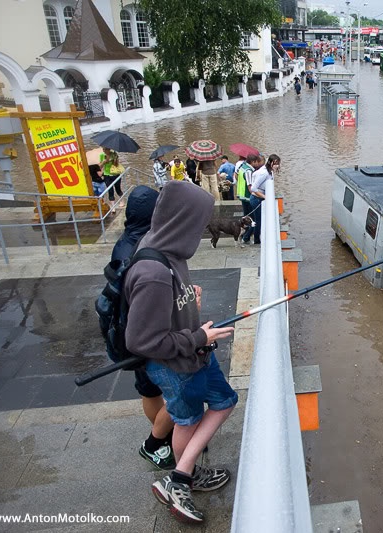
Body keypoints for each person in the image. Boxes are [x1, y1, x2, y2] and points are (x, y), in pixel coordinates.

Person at [124, 181, 236, 524]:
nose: (203, 229)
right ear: (182, 221)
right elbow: (142, 341)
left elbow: (166, 306)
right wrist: (198, 337)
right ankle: (180, 480)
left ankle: (184, 472)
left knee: (225, 401)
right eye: (200, 222)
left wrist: (188, 299)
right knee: (186, 419)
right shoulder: (154, 273)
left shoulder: (165, 248)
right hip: (176, 366)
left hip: (196, 353)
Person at [109, 185, 176, 471]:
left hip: (124, 331)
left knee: (149, 391)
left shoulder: (123, 242)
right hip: (148, 335)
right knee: (181, 393)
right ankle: (156, 441)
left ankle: (165, 437)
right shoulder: (145, 249)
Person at [244, 154, 281, 245]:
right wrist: (265, 197)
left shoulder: (269, 171)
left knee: (259, 220)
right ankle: (256, 240)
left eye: (278, 164)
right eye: (275, 163)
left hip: (260, 198)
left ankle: (247, 237)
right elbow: (253, 188)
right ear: (270, 163)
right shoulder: (264, 173)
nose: (277, 166)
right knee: (259, 221)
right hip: (256, 199)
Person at [239, 154, 265, 245]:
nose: (259, 164)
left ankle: (244, 235)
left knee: (247, 218)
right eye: (257, 162)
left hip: (242, 196)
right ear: (253, 162)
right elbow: (251, 187)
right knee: (253, 221)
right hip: (248, 197)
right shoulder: (248, 171)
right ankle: (246, 237)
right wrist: (259, 195)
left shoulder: (242, 167)